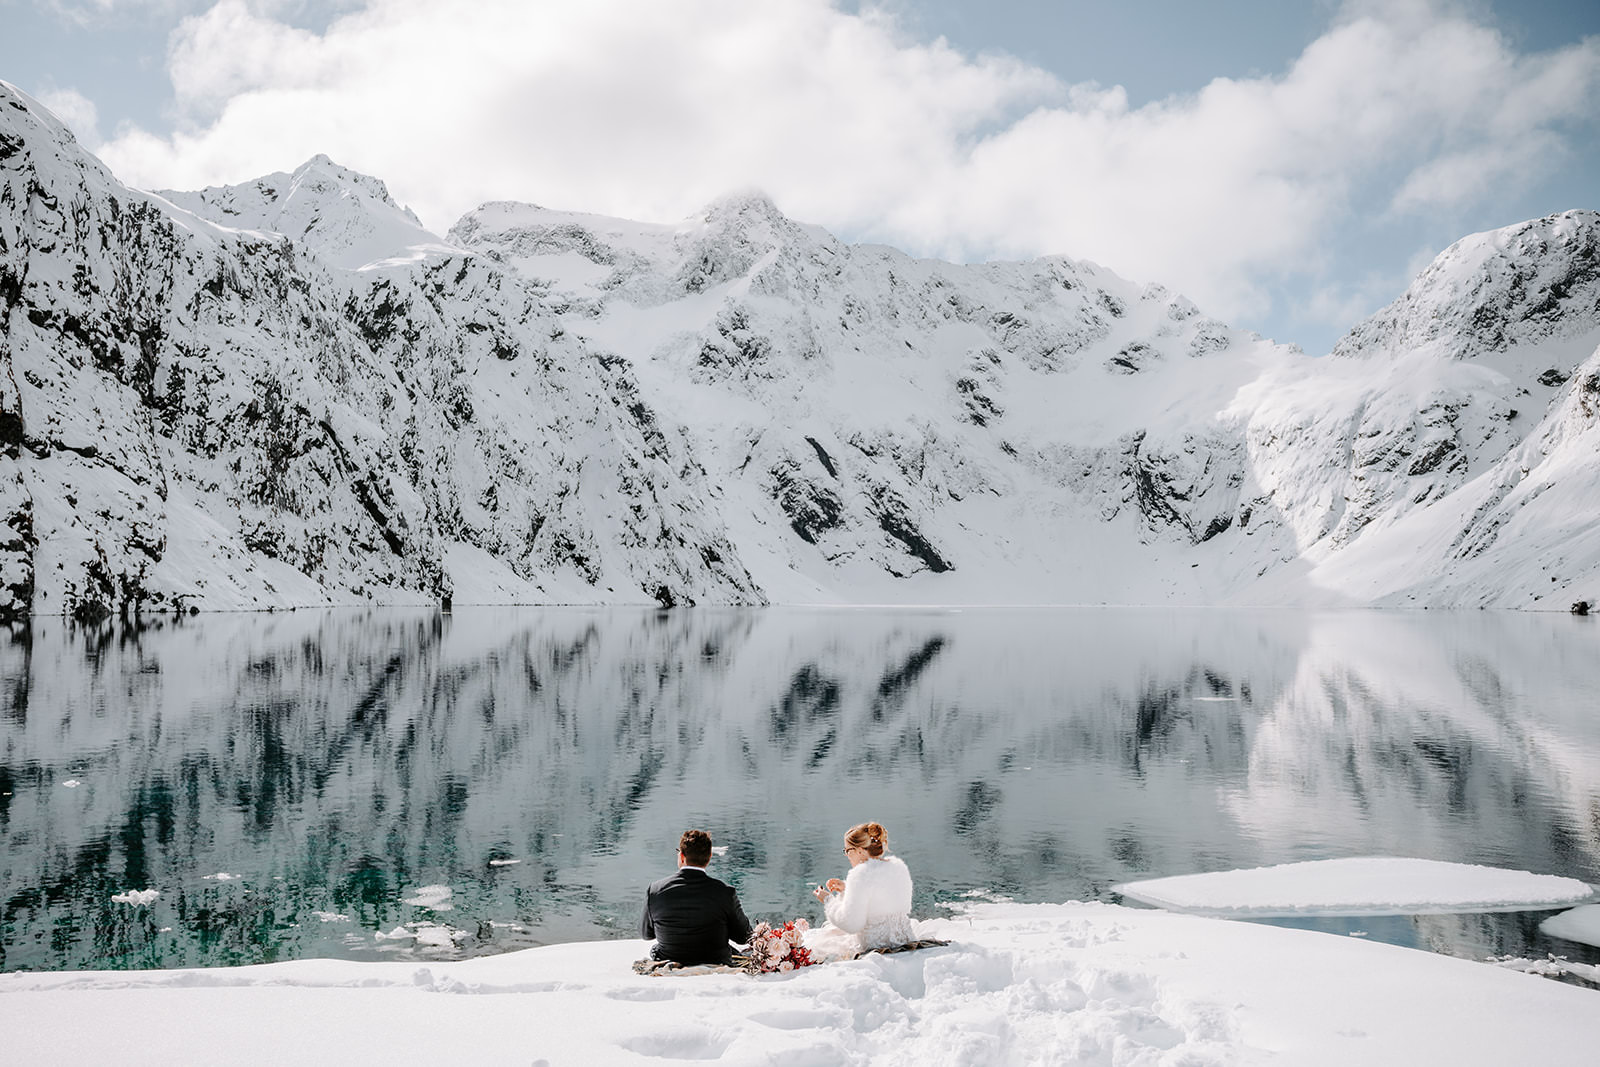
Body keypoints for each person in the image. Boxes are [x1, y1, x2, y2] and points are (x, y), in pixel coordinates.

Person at [640, 829, 753, 966]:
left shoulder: (655, 890)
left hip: (670, 959)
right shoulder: (725, 893)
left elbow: (646, 934)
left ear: (682, 856)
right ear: (709, 857)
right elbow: (743, 937)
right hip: (716, 961)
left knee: (656, 949)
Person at [805, 821, 914, 961]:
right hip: (904, 938)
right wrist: (847, 889)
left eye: (848, 850)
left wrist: (828, 900)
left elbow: (851, 924)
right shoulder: (898, 867)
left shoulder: (860, 874)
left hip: (874, 944)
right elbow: (883, 899)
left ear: (860, 851)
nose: (847, 855)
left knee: (819, 945)